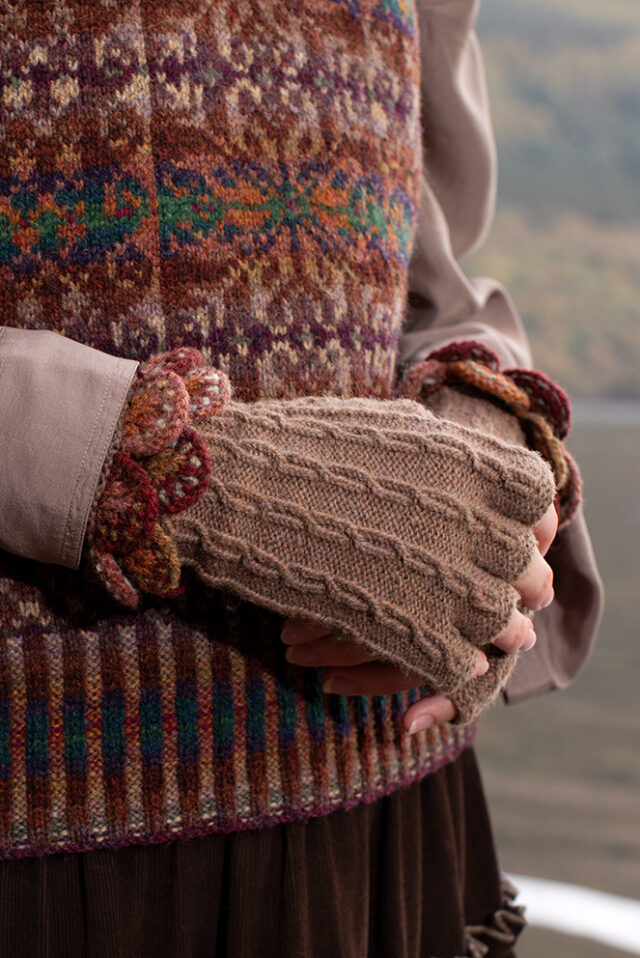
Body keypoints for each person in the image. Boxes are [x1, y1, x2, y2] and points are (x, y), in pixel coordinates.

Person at [0, 1, 602, 955]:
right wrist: (159, 465)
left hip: (383, 811)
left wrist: (480, 455)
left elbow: (431, 267)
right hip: (46, 842)